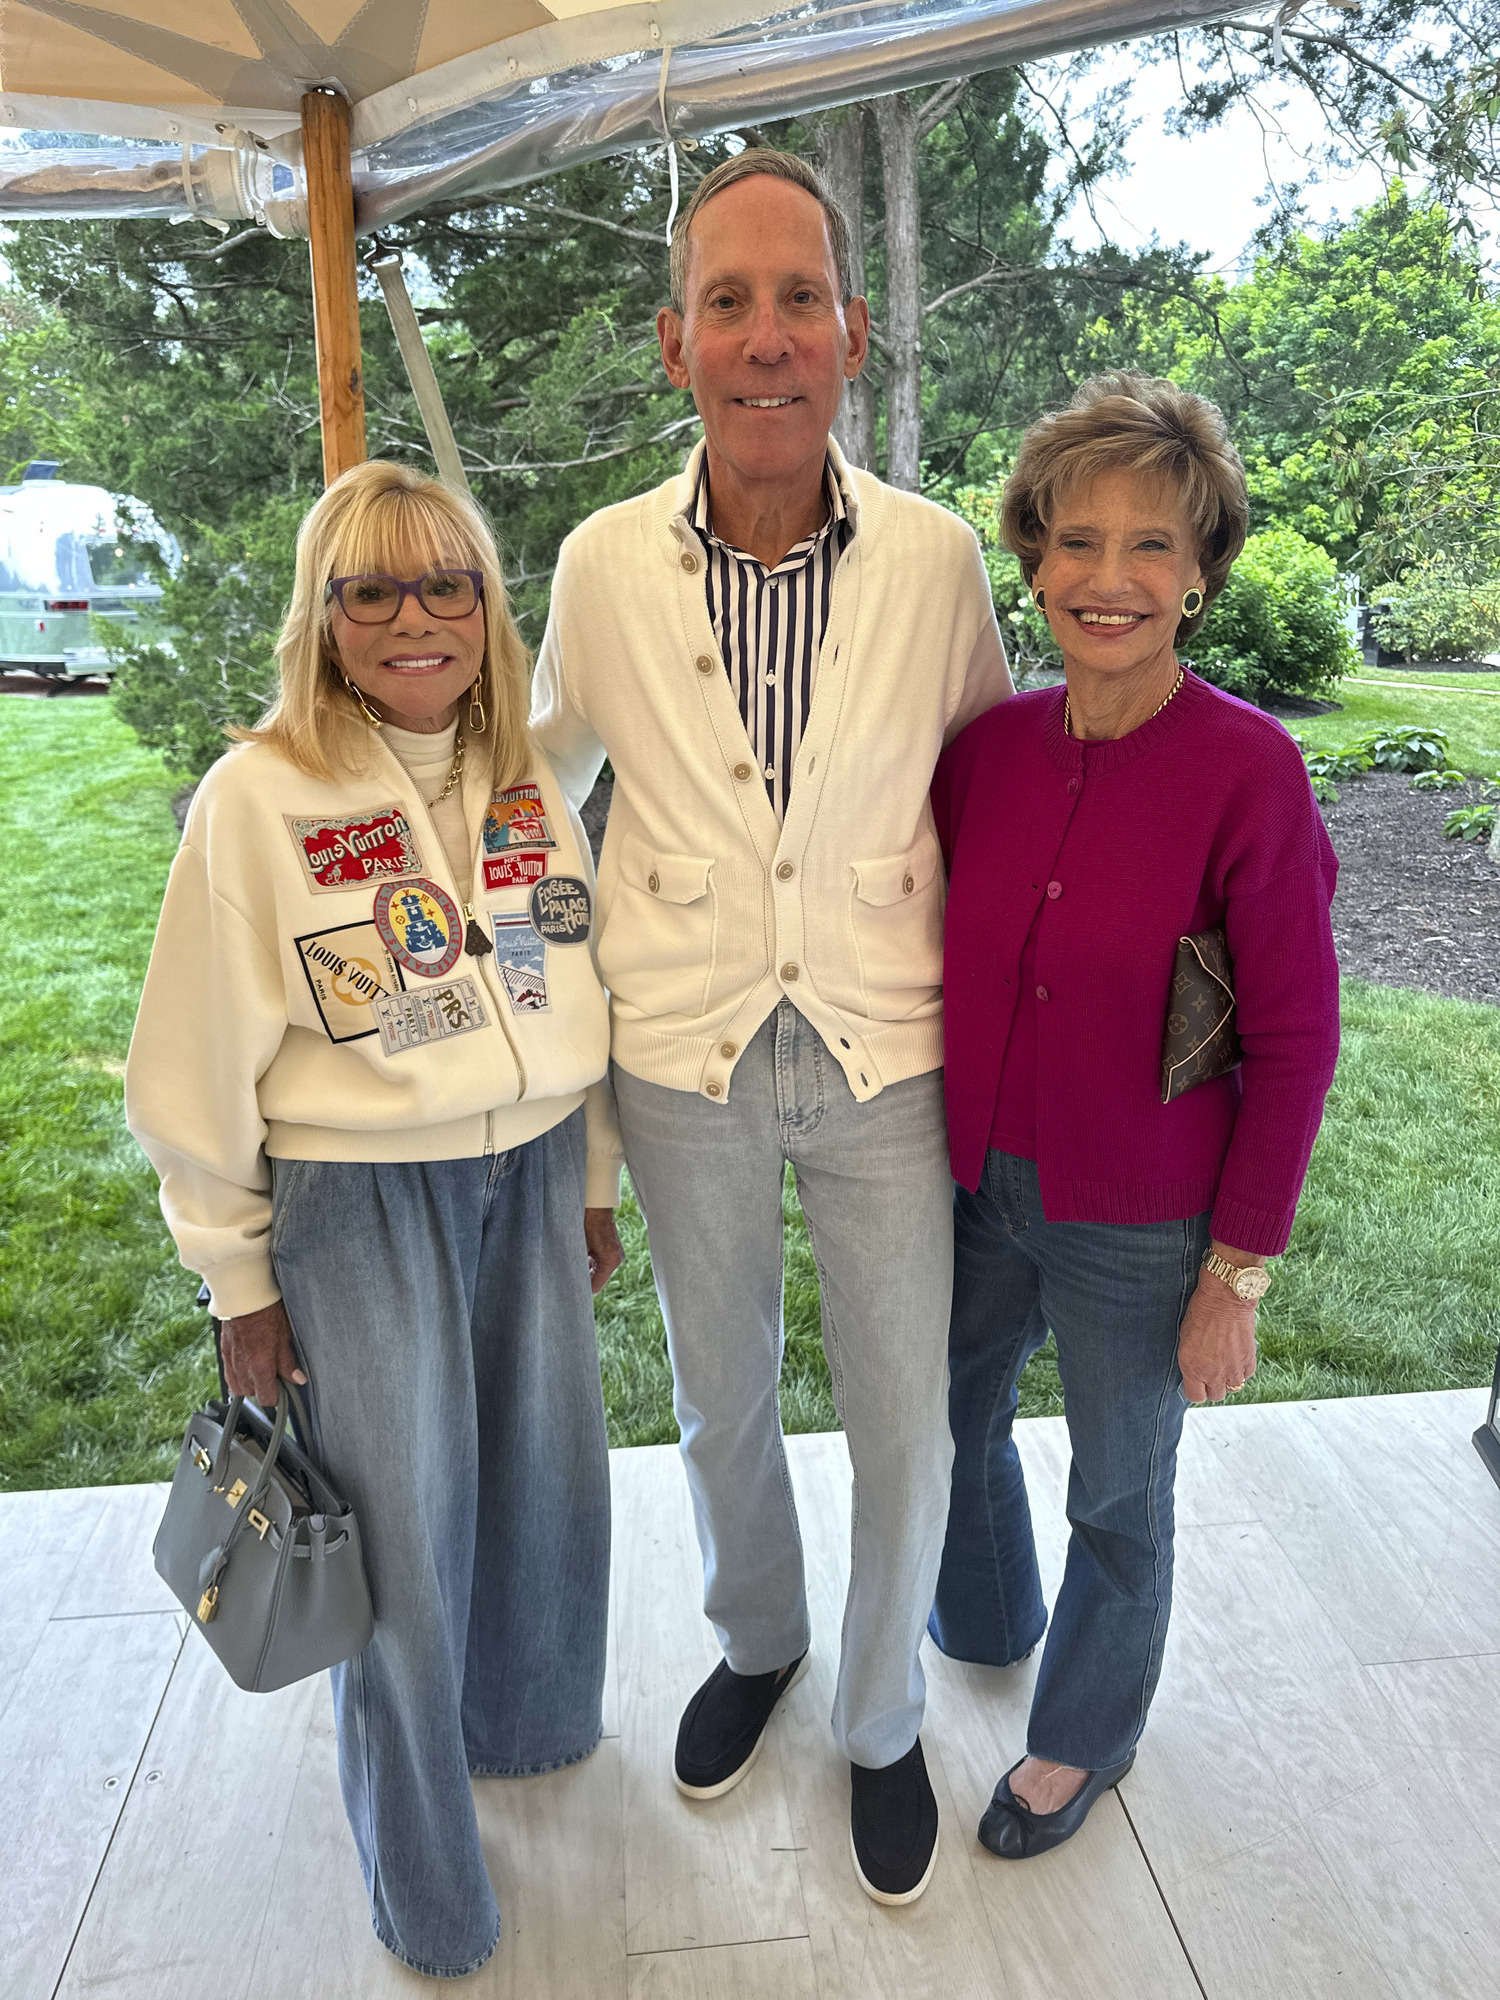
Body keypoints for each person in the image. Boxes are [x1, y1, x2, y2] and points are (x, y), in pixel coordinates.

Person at [531, 149, 1011, 1903]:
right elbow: (534, 819)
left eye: (797, 297)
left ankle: (878, 1715)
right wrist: (564, 1107)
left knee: (906, 1421)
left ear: (853, 333)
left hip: (890, 1051)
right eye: (726, 301)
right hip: (682, 1053)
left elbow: (993, 799)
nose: (764, 336)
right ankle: (761, 1638)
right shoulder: (597, 567)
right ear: (676, 344)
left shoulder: (939, 562)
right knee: (717, 1395)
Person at [125, 461, 624, 1979]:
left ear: (489, 604)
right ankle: (428, 1889)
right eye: (373, 589)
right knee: (400, 1545)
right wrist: (234, 1274)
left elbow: (569, 969)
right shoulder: (262, 797)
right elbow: (189, 1063)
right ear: (322, 617)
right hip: (358, 1203)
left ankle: (528, 1733)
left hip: (531, 1172)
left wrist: (592, 1176)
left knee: (546, 1487)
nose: (416, 617)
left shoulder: (530, 779)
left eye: (447, 584)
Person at [928, 371, 1341, 1859]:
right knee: (946, 1423)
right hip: (974, 1184)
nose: (1111, 579)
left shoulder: (1249, 771)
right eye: (1078, 541)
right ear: (1032, 556)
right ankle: (984, 1614)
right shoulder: (983, 755)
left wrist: (1236, 1275)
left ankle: (1081, 1737)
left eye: (1153, 546)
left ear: (1203, 572)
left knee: (1120, 1490)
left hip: (1143, 1220)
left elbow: (1293, 1041)